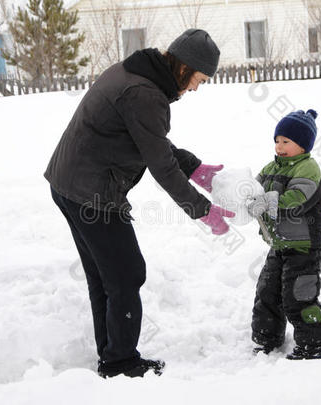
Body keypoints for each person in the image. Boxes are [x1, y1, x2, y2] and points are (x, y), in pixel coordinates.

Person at [44, 29, 235, 378]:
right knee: (127, 273)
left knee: (106, 276)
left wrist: (194, 168)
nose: (196, 88)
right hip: (92, 192)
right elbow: (161, 164)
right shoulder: (145, 93)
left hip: (70, 183)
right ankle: (120, 363)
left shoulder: (136, 73)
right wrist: (204, 211)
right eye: (199, 79)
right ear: (184, 67)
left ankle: (112, 354)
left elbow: (149, 138)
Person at [247, 109, 321, 360]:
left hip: (305, 245)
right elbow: (254, 187)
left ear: (303, 144)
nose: (279, 146)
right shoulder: (272, 167)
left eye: (286, 142)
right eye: (277, 140)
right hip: (280, 243)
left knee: (299, 294)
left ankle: (316, 343)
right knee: (268, 291)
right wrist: (245, 196)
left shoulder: (308, 169)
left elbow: (297, 198)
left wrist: (270, 200)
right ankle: (267, 338)